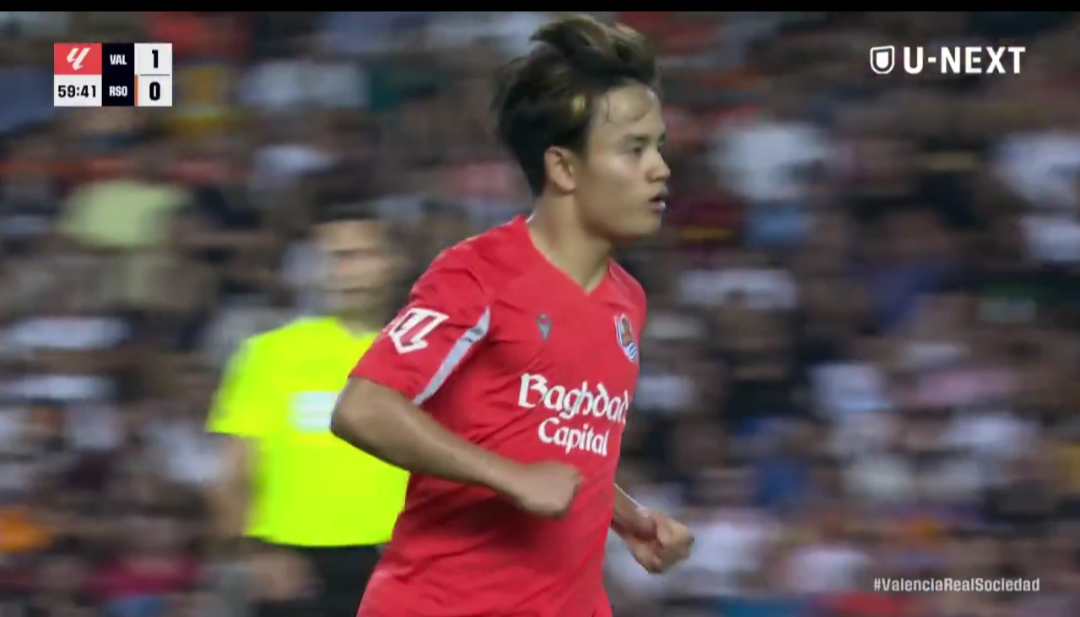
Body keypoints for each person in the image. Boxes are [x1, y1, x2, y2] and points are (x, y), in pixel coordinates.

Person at [331, 14, 693, 617]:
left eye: (658, 146)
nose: (660, 168)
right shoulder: (478, 274)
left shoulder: (627, 300)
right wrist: (509, 478)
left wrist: (626, 516)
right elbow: (362, 409)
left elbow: (554, 440)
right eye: (634, 149)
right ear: (564, 168)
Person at [206, 207, 409, 617]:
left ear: (394, 262)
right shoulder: (269, 355)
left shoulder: (443, 354)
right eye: (331, 257)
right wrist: (253, 553)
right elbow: (234, 472)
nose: (344, 270)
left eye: (360, 255)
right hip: (294, 571)